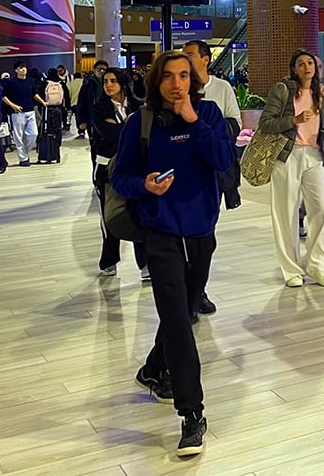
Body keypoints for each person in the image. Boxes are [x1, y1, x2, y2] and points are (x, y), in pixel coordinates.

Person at [111, 51, 233, 457]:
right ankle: (192, 414)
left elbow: (222, 160)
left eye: (184, 75)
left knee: (186, 311)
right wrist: (144, 184)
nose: (177, 83)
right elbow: (119, 177)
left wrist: (194, 122)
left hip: (201, 231)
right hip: (160, 232)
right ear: (156, 81)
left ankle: (152, 368)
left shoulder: (210, 115)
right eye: (168, 76)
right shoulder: (140, 123)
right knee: (178, 320)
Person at [259, 49, 324, 288]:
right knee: (285, 213)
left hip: (314, 155)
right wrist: (293, 120)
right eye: (301, 63)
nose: (307, 67)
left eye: (310, 63)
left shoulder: (322, 92)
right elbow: (266, 123)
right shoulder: (282, 90)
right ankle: (291, 270)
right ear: (294, 68)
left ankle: (316, 264)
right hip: (287, 156)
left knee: (323, 212)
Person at [181, 40, 241, 318]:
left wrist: (205, 126)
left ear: (205, 59)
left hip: (213, 172)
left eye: (190, 55)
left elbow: (234, 125)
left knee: (205, 236)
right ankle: (189, 295)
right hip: (183, 171)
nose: (185, 60)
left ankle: (197, 291)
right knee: (185, 237)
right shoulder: (179, 89)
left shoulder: (221, 88)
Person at [90, 67, 147, 279]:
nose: (108, 85)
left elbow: (143, 133)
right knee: (109, 216)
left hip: (134, 168)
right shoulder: (99, 108)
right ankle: (109, 260)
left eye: (112, 81)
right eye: (105, 81)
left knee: (138, 213)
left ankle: (145, 264)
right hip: (105, 167)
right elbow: (107, 133)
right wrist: (128, 129)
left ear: (122, 83)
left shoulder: (137, 106)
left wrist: (121, 128)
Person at [2, 61, 38, 166]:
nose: (24, 69)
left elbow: (34, 93)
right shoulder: (11, 83)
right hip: (17, 113)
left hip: (30, 110)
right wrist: (13, 105)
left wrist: (42, 102)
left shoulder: (30, 81)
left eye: (24, 67)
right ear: (16, 70)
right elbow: (3, 96)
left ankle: (25, 152)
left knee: (33, 134)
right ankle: (23, 159)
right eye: (21, 68)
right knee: (18, 136)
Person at [77, 60, 109, 145]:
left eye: (104, 69)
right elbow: (81, 102)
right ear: (94, 70)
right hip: (92, 117)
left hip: (107, 116)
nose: (102, 71)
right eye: (99, 69)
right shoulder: (88, 83)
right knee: (94, 142)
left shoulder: (109, 83)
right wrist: (81, 121)